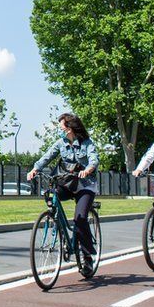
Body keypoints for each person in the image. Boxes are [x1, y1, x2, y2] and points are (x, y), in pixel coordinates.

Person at [26, 113, 100, 272]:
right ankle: (59, 230)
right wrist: (34, 169)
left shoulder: (87, 144)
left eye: (62, 127)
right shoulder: (61, 143)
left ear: (70, 128)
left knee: (80, 218)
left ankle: (87, 258)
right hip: (67, 183)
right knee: (52, 197)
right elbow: (47, 156)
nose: (60, 130)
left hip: (85, 185)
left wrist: (88, 170)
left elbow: (94, 159)